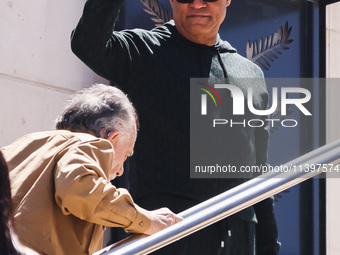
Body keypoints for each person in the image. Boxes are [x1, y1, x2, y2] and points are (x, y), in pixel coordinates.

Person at [71, 0, 280, 254]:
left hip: (238, 236)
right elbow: (87, 44)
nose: (197, 4)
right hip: (168, 233)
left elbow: (259, 169)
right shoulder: (144, 51)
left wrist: (269, 244)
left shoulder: (251, 74)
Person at [1, 84, 182, 255]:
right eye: (126, 155)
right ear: (112, 137)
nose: (120, 171)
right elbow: (79, 189)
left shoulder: (24, 144)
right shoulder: (90, 144)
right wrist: (147, 220)